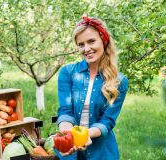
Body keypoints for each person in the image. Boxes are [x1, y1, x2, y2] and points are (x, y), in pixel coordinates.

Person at [55, 16, 129, 160]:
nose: (86, 49)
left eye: (91, 41)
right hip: (69, 151)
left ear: (104, 40)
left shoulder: (119, 81)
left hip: (102, 153)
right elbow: (65, 110)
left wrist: (87, 134)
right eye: (81, 44)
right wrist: (68, 136)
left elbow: (107, 120)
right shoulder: (67, 73)